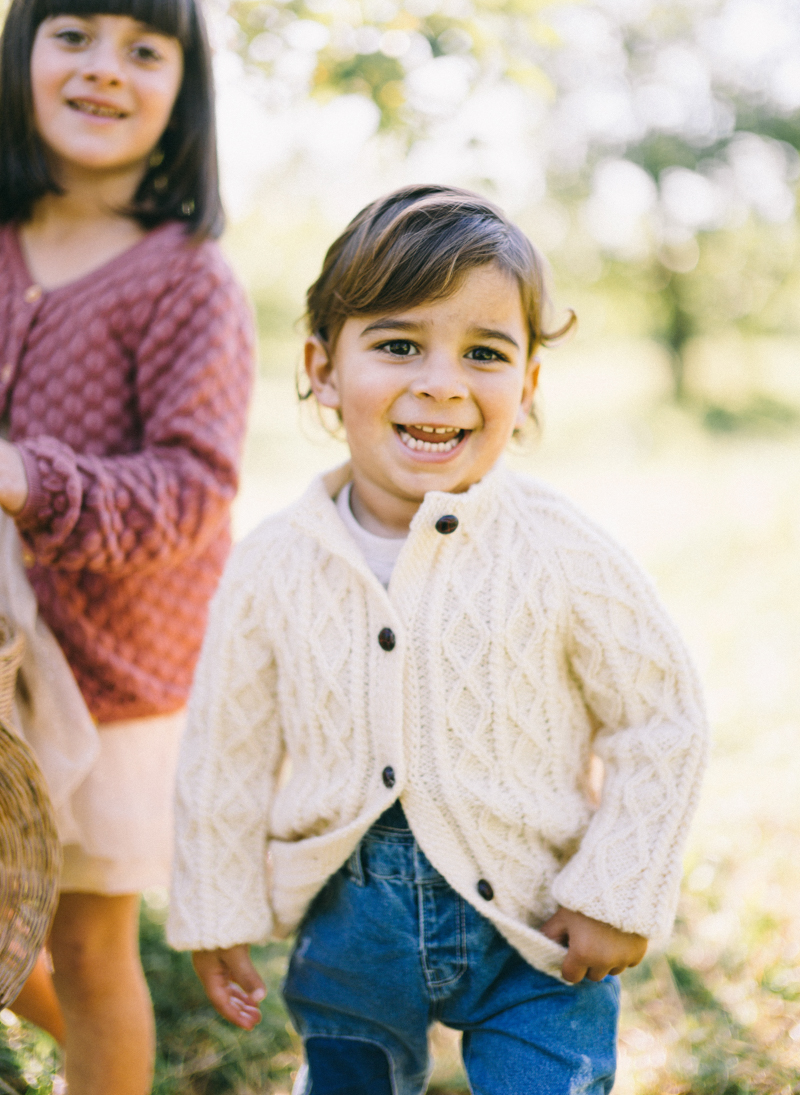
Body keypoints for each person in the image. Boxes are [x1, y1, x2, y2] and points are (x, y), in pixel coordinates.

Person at [168, 185, 707, 1095]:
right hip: (348, 928)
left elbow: (663, 719)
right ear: (324, 368)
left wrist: (616, 889)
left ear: (527, 384)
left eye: (485, 353)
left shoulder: (559, 548)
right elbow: (225, 749)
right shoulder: (273, 565)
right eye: (399, 344)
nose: (442, 382)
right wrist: (215, 908)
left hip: (538, 934)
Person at [0, 0, 254, 1095]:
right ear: (20, 56)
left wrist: (30, 480)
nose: (106, 64)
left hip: (111, 683)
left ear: (183, 92)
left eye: (145, 48)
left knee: (90, 944)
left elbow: (196, 490)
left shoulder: (183, 276)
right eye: (74, 35)